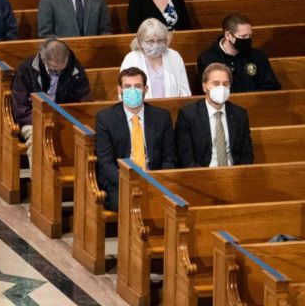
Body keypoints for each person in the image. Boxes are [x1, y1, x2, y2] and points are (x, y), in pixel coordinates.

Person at [94, 67, 176, 210]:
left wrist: (159, 180)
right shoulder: (106, 119)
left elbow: (169, 158)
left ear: (146, 89)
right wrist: (129, 182)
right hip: (121, 181)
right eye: (127, 86)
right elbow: (106, 163)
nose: (133, 91)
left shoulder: (161, 117)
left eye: (137, 86)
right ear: (120, 90)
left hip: (155, 180)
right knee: (128, 204)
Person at [9, 39, 90, 145]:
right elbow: (21, 110)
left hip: (63, 121)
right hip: (32, 122)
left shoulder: (75, 70)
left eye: (61, 70)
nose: (57, 74)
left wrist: (60, 121)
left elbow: (82, 103)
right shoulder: (26, 70)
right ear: (43, 60)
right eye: (53, 71)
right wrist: (45, 121)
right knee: (37, 139)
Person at [174, 63, 254, 169]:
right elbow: (185, 158)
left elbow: (246, 155)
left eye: (225, 84)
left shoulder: (240, 114)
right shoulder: (188, 114)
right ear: (204, 86)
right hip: (201, 175)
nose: (221, 88)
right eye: (216, 84)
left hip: (235, 175)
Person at [200, 14, 280, 94]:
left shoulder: (258, 57)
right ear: (228, 35)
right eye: (243, 36)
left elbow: (272, 86)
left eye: (250, 36)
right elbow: (206, 90)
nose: (247, 39)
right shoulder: (208, 59)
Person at [120, 18, 191, 99]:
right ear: (140, 41)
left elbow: (185, 92)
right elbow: (124, 94)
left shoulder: (174, 56)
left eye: (160, 41)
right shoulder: (131, 59)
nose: (155, 45)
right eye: (150, 41)